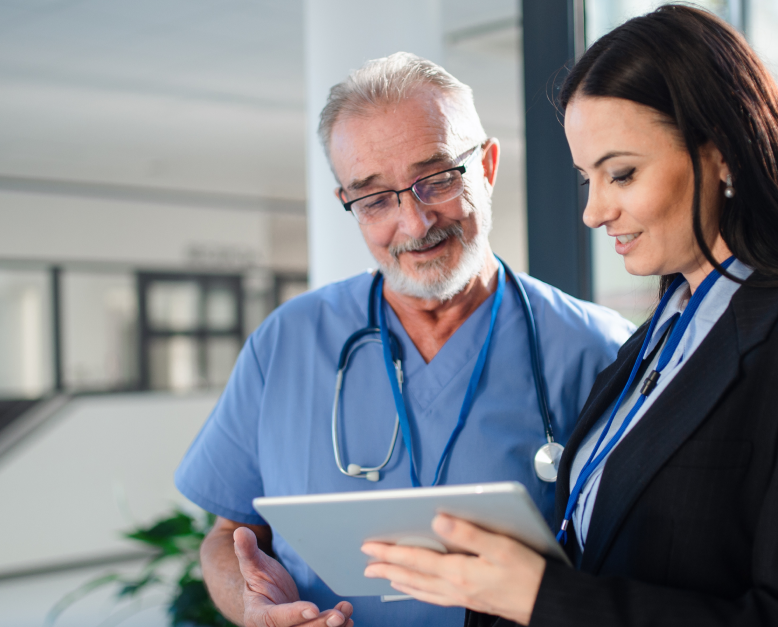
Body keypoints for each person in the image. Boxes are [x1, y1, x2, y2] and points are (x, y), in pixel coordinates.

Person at [360, 6, 778, 626]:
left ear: (722, 154)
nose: (593, 212)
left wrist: (538, 594)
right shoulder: (656, 341)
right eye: (587, 179)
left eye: (621, 174)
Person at [173, 52, 634, 627]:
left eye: (436, 179)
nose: (414, 224)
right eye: (373, 199)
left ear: (487, 166)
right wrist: (248, 604)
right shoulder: (285, 344)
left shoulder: (599, 351)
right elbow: (229, 534)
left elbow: (639, 562)